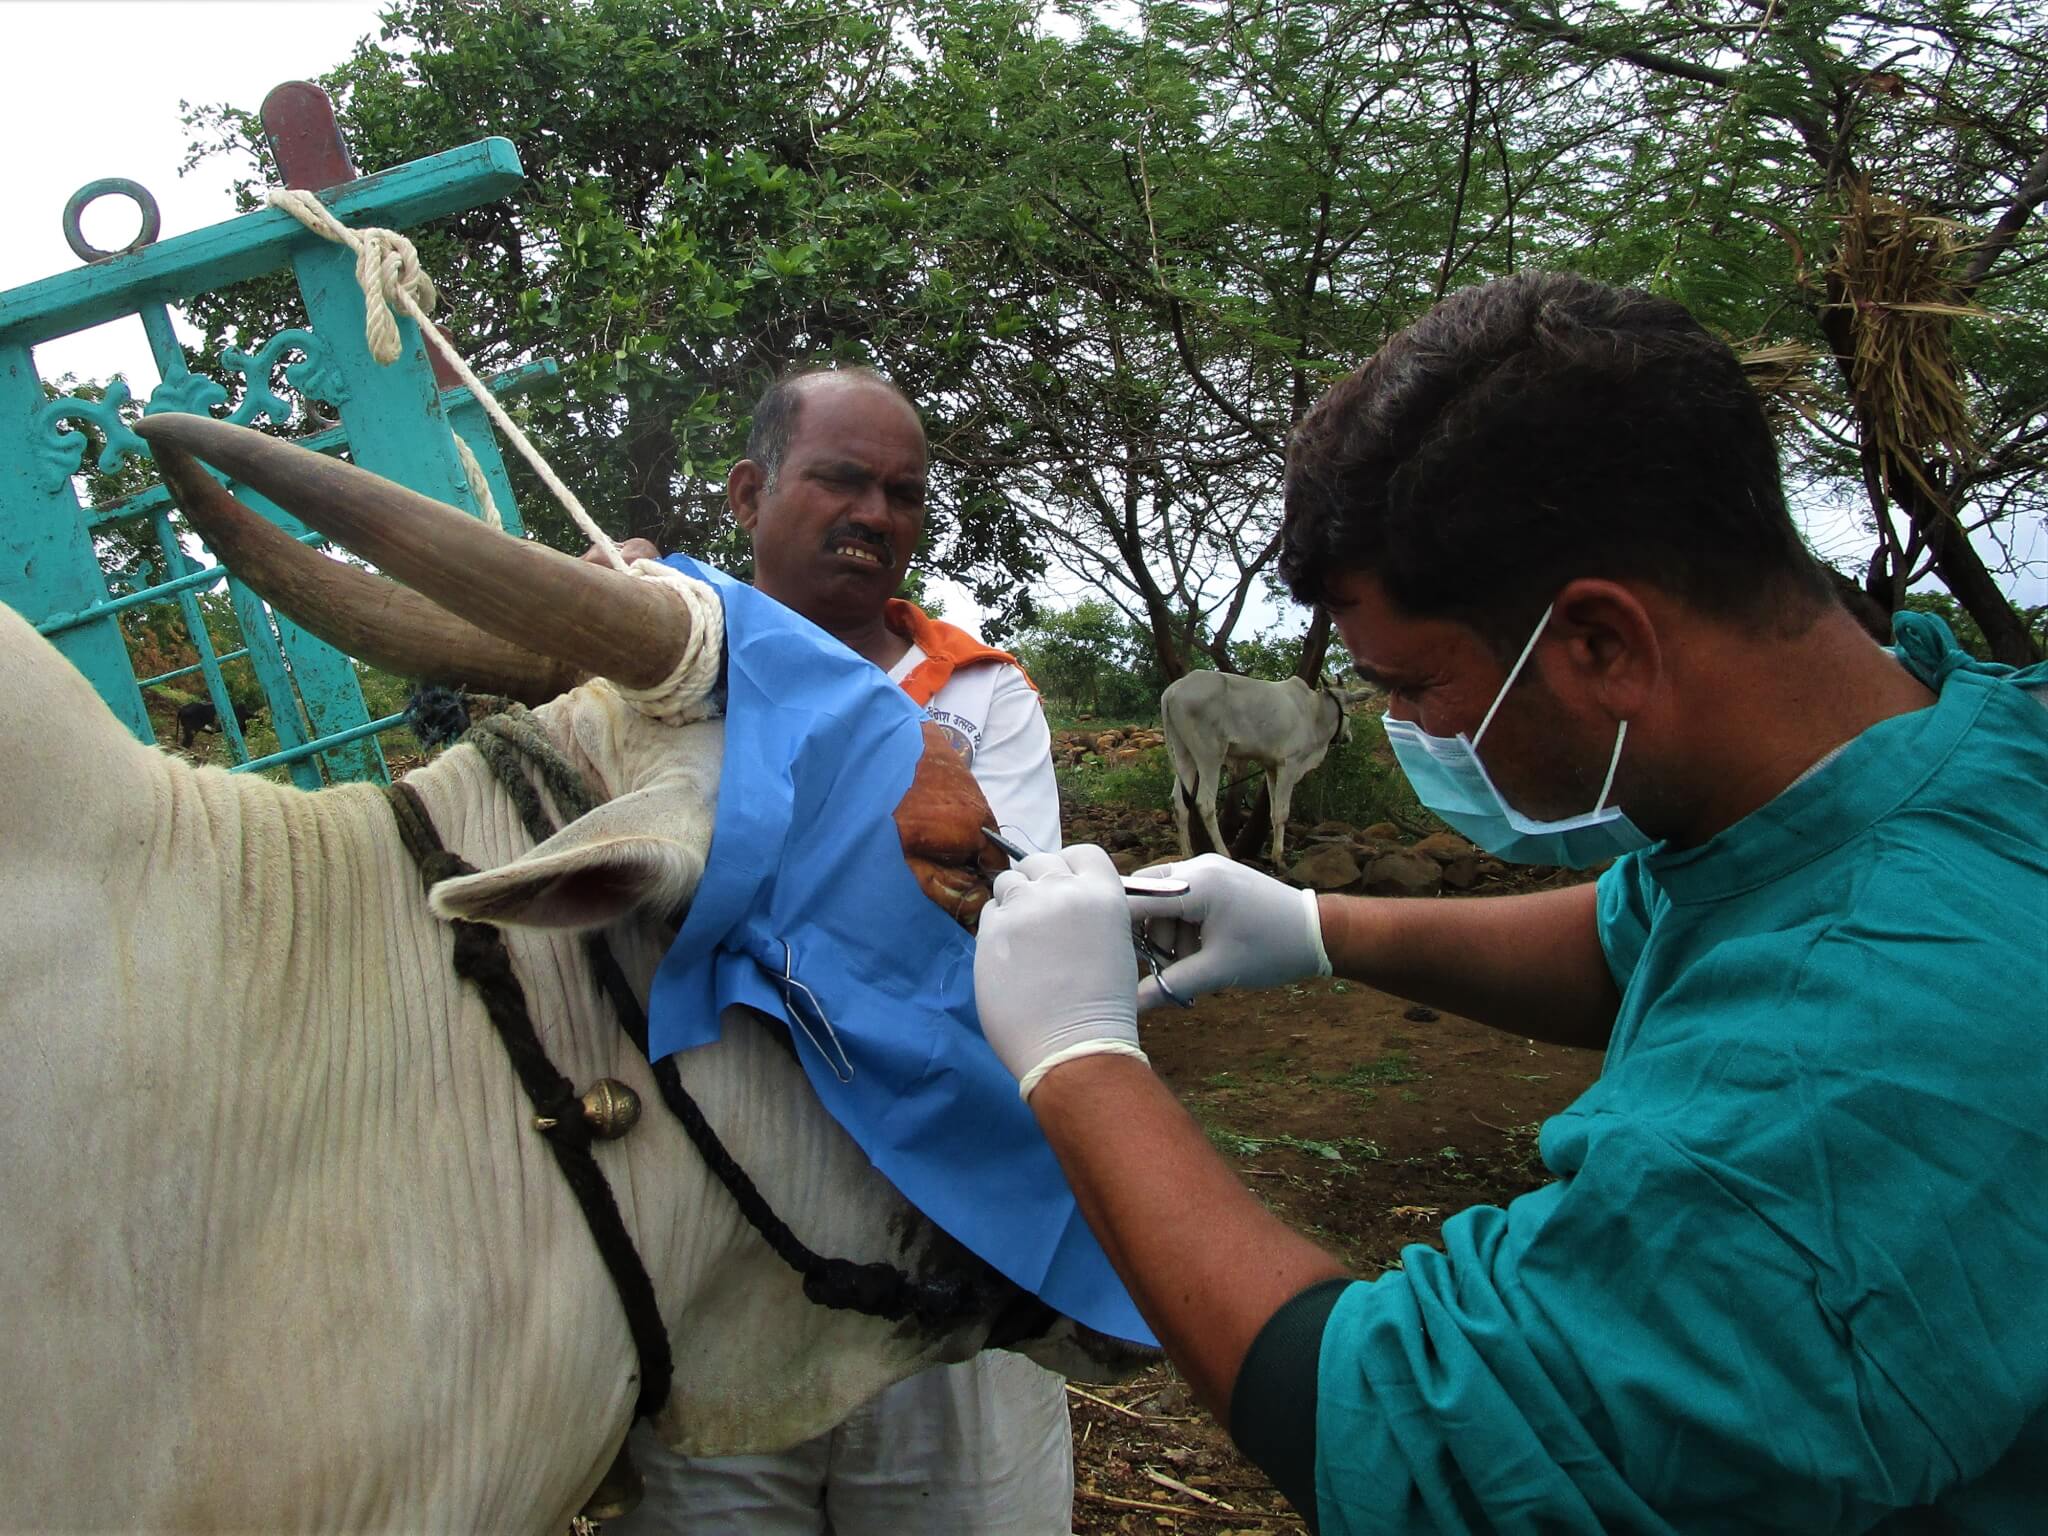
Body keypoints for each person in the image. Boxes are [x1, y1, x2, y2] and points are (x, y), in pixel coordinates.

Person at [971, 273, 2048, 1533]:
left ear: (1596, 643)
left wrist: (1078, 1061)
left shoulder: (1839, 1067)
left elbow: (1430, 1440)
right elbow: (1639, 931)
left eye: (1416, 682)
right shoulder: (1947, 748)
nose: (1410, 728)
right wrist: (1320, 927)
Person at [605, 365, 1074, 1535]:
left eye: (903, 495)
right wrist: (617, 642)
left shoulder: (978, 696)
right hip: (714, 1237)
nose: (875, 514)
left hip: (943, 1234)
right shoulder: (654, 670)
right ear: (749, 492)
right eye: (839, 480)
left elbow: (969, 933)